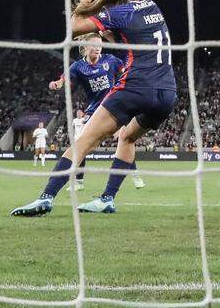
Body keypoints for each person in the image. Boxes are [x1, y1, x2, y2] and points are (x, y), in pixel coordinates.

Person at [12, 0, 175, 216]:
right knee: (128, 137)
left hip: (135, 87)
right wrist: (116, 39)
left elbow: (73, 28)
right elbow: (139, 46)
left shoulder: (120, 12)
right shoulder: (153, 7)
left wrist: (87, 0)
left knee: (83, 142)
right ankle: (107, 198)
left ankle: (46, 198)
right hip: (167, 92)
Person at [48, 33, 146, 191]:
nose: (98, 48)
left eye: (100, 45)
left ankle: (135, 175)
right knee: (81, 144)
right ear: (85, 47)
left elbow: (126, 72)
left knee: (124, 139)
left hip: (114, 108)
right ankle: (79, 182)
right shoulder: (78, 67)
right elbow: (64, 80)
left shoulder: (111, 61)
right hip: (94, 111)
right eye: (94, 45)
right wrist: (56, 84)